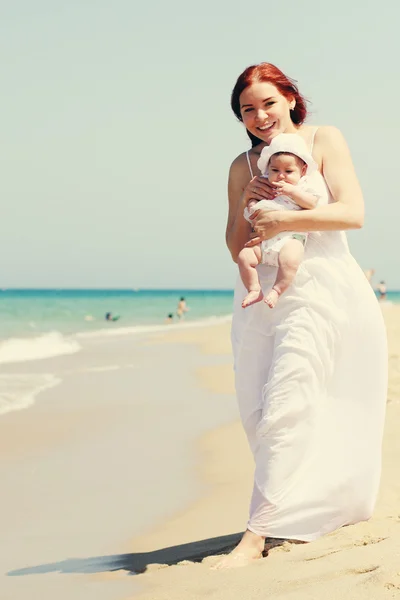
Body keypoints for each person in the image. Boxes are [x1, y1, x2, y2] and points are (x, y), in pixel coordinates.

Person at [218, 63, 388, 569]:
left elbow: (353, 212)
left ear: (290, 98)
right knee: (256, 409)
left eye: (268, 102)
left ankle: (255, 536)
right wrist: (247, 204)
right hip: (258, 297)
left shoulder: (322, 140)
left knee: (289, 402)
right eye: (248, 109)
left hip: (319, 286)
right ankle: (302, 507)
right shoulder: (241, 166)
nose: (259, 115)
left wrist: (288, 216)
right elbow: (234, 245)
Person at [238, 133, 320, 308]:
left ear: (303, 171)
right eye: (275, 170)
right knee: (244, 257)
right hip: (264, 241)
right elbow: (254, 202)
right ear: (268, 169)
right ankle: (254, 288)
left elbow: (312, 204)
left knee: (290, 260)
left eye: (288, 171)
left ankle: (277, 289)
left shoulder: (302, 187)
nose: (281, 176)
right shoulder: (265, 184)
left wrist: (292, 192)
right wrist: (252, 203)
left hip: (290, 238)